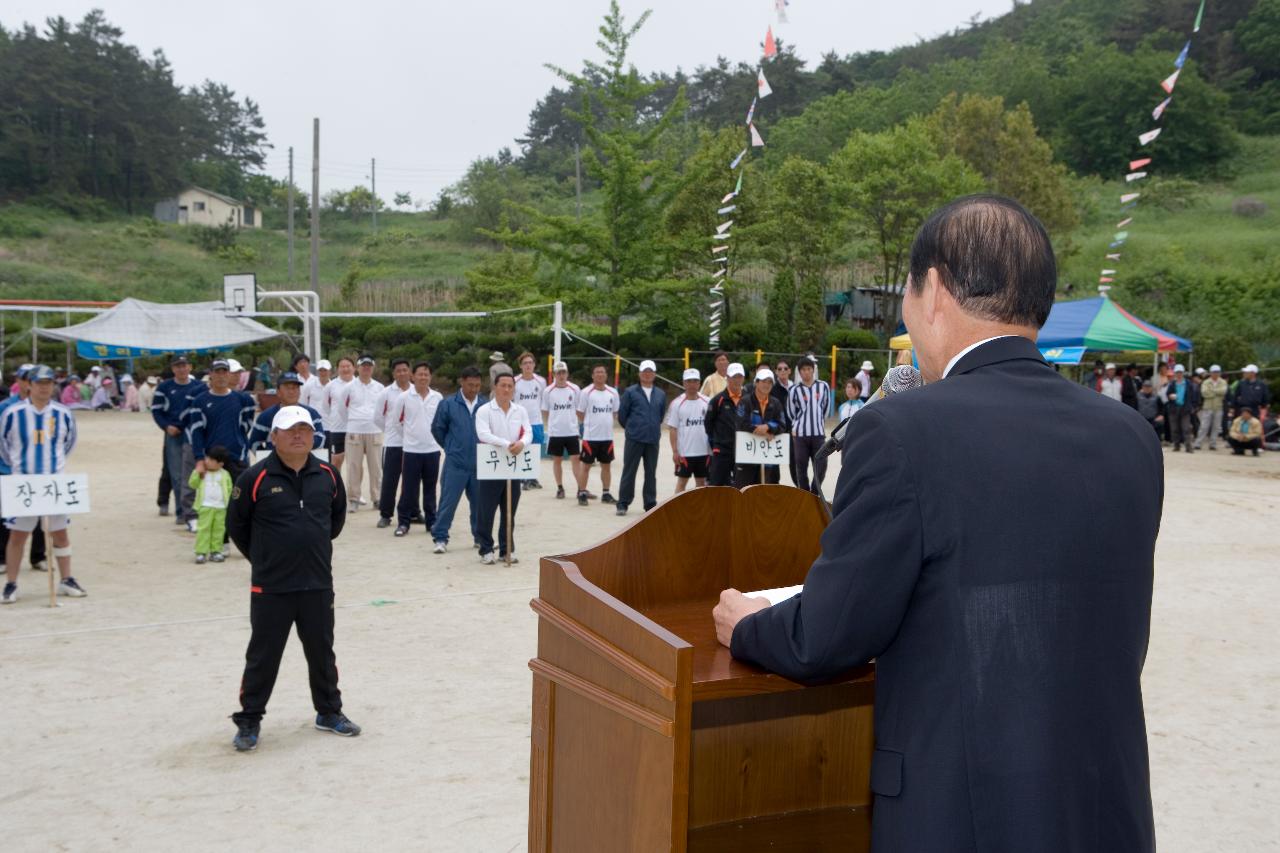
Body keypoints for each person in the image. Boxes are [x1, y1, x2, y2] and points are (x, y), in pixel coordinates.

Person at [714, 194, 1161, 850]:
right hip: (1102, 809)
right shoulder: (1129, 435)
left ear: (934, 292)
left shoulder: (902, 430)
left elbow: (829, 632)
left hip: (964, 814)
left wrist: (748, 624)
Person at [227, 405, 358, 752]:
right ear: (274, 437)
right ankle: (250, 719)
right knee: (263, 655)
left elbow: (335, 521)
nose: (299, 435)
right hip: (271, 586)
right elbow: (236, 526)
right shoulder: (253, 478)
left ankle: (329, 712)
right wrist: (265, 559)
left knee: (322, 651)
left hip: (317, 582)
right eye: (290, 429)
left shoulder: (328, 475)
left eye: (304, 429)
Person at [1, 365, 87, 604]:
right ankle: (11, 583)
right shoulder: (13, 413)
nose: (43, 387)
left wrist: (53, 468)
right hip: (24, 482)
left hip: (53, 481)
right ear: (28, 384)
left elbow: (69, 443)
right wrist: (20, 468)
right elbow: (3, 446)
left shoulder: (63, 413)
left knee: (60, 532)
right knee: (18, 535)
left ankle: (66, 579)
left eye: (48, 383)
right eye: (39, 382)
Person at [185, 358, 257, 543]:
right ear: (210, 374)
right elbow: (197, 432)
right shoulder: (200, 401)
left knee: (241, 502)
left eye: (224, 371)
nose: (221, 375)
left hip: (237, 458)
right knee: (217, 502)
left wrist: (239, 442)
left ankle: (243, 539)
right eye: (217, 371)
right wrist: (200, 459)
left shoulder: (243, 400)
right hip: (213, 462)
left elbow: (246, 425)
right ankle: (221, 542)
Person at [474, 371, 532, 564]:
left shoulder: (520, 411)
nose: (506, 389)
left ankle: (507, 549)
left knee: (510, 510)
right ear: (494, 388)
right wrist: (506, 444)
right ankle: (485, 549)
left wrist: (522, 443)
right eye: (503, 385)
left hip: (513, 467)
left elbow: (528, 432)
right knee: (486, 510)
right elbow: (483, 434)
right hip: (492, 466)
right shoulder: (484, 410)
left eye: (510, 386)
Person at [430, 366, 488, 555]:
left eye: (477, 385)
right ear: (461, 382)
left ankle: (480, 538)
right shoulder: (448, 404)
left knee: (480, 504)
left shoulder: (485, 405)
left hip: (480, 463)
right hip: (455, 463)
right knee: (448, 502)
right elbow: (438, 428)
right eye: (470, 385)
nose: (474, 389)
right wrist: (450, 447)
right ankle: (440, 537)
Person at [0, 366, 50, 579]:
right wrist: (10, 464)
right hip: (8, 469)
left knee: (41, 514)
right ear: (19, 381)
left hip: (38, 469)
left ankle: (38, 556)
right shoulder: (6, 406)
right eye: (24, 379)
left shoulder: (48, 407)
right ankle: (2, 558)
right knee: (6, 515)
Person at [153, 355, 208, 529]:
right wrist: (166, 426)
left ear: (190, 367)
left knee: (198, 473)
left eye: (184, 366)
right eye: (177, 366)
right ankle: (181, 512)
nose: (181, 369)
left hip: (195, 433)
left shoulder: (199, 387)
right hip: (174, 434)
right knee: (177, 474)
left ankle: (198, 510)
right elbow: (156, 411)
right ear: (172, 368)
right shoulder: (164, 387)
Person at [391, 362, 443, 537]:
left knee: (430, 488)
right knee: (408, 488)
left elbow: (441, 423)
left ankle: (432, 522)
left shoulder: (438, 397)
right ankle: (403, 523)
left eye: (426, 374)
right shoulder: (404, 397)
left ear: (430, 377)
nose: (423, 377)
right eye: (420, 374)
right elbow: (397, 423)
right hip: (411, 450)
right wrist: (409, 437)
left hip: (432, 449)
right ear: (413, 376)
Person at [331, 355, 384, 512]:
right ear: (358, 368)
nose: (366, 368)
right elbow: (341, 409)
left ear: (373, 368)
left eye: (369, 366)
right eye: (363, 366)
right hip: (354, 430)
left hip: (374, 430)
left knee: (376, 467)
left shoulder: (380, 387)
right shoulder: (349, 387)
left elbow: (383, 410)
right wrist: (354, 420)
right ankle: (354, 498)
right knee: (354, 465)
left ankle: (377, 498)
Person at [615, 360, 667, 517]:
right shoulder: (630, 392)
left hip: (652, 439)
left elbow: (660, 415)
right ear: (639, 374)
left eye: (650, 371)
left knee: (651, 472)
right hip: (634, 438)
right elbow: (622, 416)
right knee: (629, 471)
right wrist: (633, 429)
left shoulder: (661, 394)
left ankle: (650, 503)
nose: (647, 374)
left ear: (655, 374)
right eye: (645, 371)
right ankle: (623, 503)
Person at [374, 358, 412, 529]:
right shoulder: (386, 393)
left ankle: (413, 511)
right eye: (398, 370)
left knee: (411, 481)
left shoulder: (416, 391)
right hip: (393, 443)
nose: (402, 373)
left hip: (412, 444)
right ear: (393, 373)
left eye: (405, 370)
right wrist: (392, 430)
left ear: (410, 371)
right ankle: (385, 514)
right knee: (390, 480)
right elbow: (377, 418)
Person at [733, 367, 787, 487]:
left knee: (766, 492)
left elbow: (783, 425)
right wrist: (759, 431)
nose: (766, 385)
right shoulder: (745, 401)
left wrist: (768, 427)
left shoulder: (776, 403)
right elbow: (740, 423)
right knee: (743, 491)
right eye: (763, 381)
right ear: (756, 383)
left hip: (769, 458)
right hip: (746, 455)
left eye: (769, 382)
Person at [575, 365, 620, 507]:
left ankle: (606, 493)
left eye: (602, 372)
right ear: (593, 376)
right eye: (597, 372)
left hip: (607, 437)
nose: (600, 374)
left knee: (606, 467)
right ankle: (582, 493)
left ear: (606, 375)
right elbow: (580, 413)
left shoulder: (613, 393)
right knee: (585, 466)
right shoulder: (586, 392)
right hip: (590, 437)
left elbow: (614, 412)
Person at [788, 356, 831, 495]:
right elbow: (791, 412)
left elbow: (826, 408)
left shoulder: (823, 386)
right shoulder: (794, 390)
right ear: (799, 372)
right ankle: (804, 494)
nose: (806, 372)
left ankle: (814, 492)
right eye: (803, 370)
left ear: (813, 370)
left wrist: (818, 421)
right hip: (800, 434)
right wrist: (797, 425)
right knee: (800, 466)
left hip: (818, 433)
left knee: (821, 464)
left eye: (809, 369)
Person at [248, 372, 324, 451]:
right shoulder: (266, 416)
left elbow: (321, 438)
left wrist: (298, 447)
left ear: (300, 391)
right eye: (287, 388)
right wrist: (270, 456)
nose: (291, 391)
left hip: (307, 460)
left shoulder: (311, 414)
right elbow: (254, 443)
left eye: (295, 388)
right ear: (278, 392)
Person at [541, 361, 581, 500]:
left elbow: (578, 409)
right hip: (556, 432)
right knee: (556, 460)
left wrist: (573, 423)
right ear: (554, 374)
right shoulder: (548, 391)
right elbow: (545, 411)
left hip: (572, 431)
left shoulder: (575, 389)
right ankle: (560, 487)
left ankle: (580, 489)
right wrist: (553, 424)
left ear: (567, 373)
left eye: (563, 372)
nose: (561, 375)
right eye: (558, 373)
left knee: (575, 459)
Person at [666, 368, 710, 493]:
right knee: (681, 483)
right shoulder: (676, 403)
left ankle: (701, 511)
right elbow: (673, 429)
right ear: (684, 383)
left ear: (699, 383)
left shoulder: (707, 402)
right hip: (685, 453)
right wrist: (675, 451)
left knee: (701, 483)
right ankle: (676, 510)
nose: (692, 384)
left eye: (695, 381)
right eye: (689, 381)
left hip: (704, 451)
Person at [704, 362, 746, 487]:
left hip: (743, 450)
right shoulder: (718, 400)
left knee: (741, 485)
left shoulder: (749, 398)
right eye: (734, 377)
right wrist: (718, 442)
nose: (737, 380)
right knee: (716, 485)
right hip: (722, 450)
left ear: (743, 378)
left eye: (739, 377)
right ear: (727, 378)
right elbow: (708, 424)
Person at [189, 445, 233, 564]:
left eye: (211, 460)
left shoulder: (225, 475)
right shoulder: (202, 473)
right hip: (205, 506)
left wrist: (228, 504)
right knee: (204, 529)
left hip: (220, 508)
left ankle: (216, 551)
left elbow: (229, 489)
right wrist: (196, 473)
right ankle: (201, 552)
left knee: (218, 530)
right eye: (207, 458)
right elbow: (192, 484)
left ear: (220, 463)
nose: (207, 461)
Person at [514, 352, 547, 491]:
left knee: (535, 450)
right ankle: (524, 478)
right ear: (521, 366)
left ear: (534, 365)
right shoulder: (515, 381)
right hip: (520, 423)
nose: (528, 365)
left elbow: (543, 400)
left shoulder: (541, 381)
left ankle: (532, 477)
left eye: (530, 363)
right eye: (525, 363)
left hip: (536, 421)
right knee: (523, 449)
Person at [324, 357, 355, 473]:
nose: (345, 369)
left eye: (348, 366)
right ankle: (336, 488)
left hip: (354, 429)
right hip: (337, 429)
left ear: (354, 368)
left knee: (355, 463)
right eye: (342, 366)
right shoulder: (330, 386)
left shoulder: (358, 384)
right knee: (336, 462)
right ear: (337, 369)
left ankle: (352, 490)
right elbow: (326, 407)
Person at [1164, 364, 1201, 452]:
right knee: (1174, 428)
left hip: (1185, 409)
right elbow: (1167, 394)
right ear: (1175, 373)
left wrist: (1193, 406)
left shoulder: (1189, 384)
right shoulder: (1172, 384)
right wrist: (1170, 396)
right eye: (1177, 372)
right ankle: (1176, 446)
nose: (1179, 374)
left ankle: (1188, 447)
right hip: (1174, 408)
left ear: (1183, 373)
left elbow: (1194, 396)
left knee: (1186, 428)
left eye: (1180, 372)